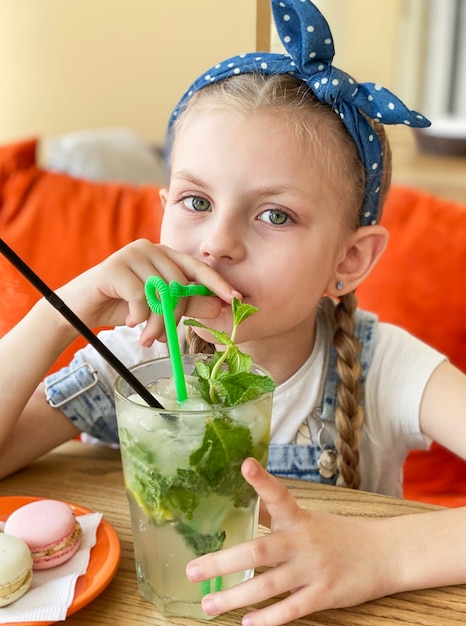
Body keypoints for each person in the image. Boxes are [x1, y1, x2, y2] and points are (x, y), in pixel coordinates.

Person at [1, 0, 466, 623]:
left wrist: (381, 554)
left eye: (274, 214)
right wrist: (62, 311)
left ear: (349, 261)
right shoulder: (140, 358)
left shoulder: (388, 367)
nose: (217, 242)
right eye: (196, 200)